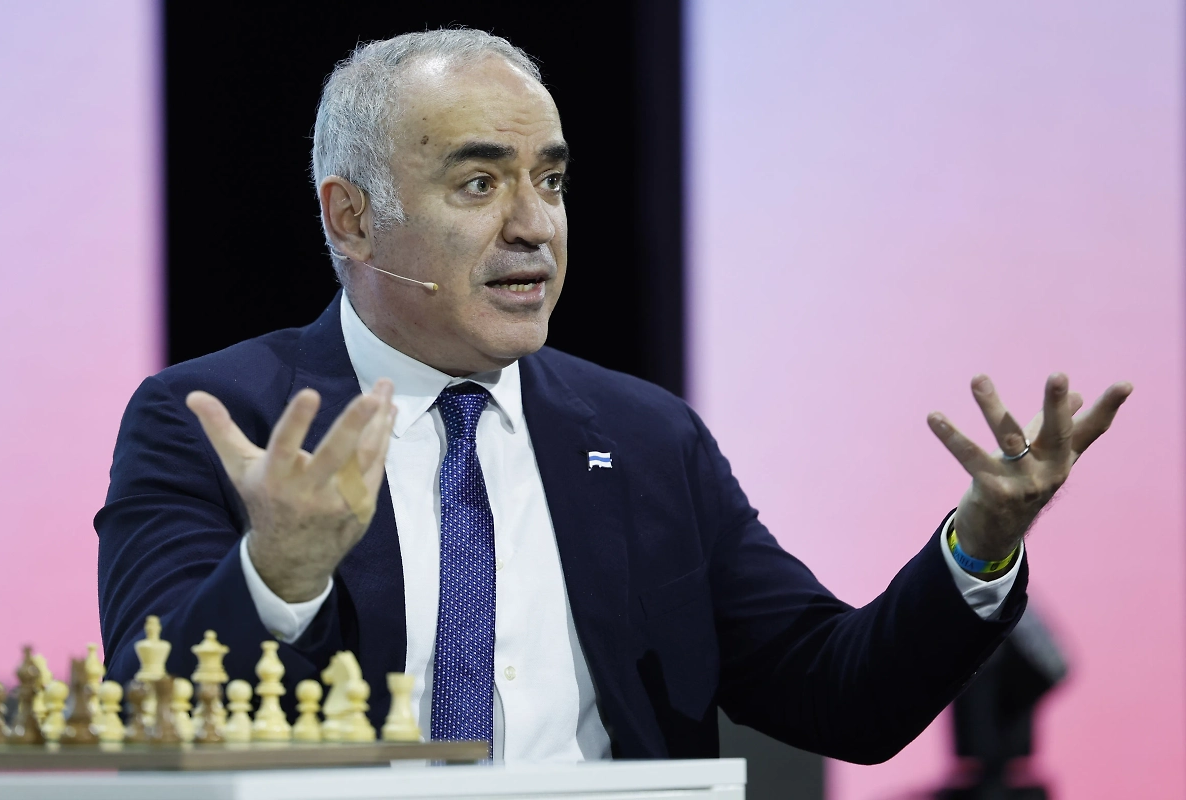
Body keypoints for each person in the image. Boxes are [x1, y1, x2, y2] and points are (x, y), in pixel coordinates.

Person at [95, 29, 1130, 763]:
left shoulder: (644, 438)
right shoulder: (215, 422)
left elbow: (841, 695)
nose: (534, 225)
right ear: (352, 218)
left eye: (550, 180)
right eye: (479, 183)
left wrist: (979, 546)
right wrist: (276, 574)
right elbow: (154, 717)